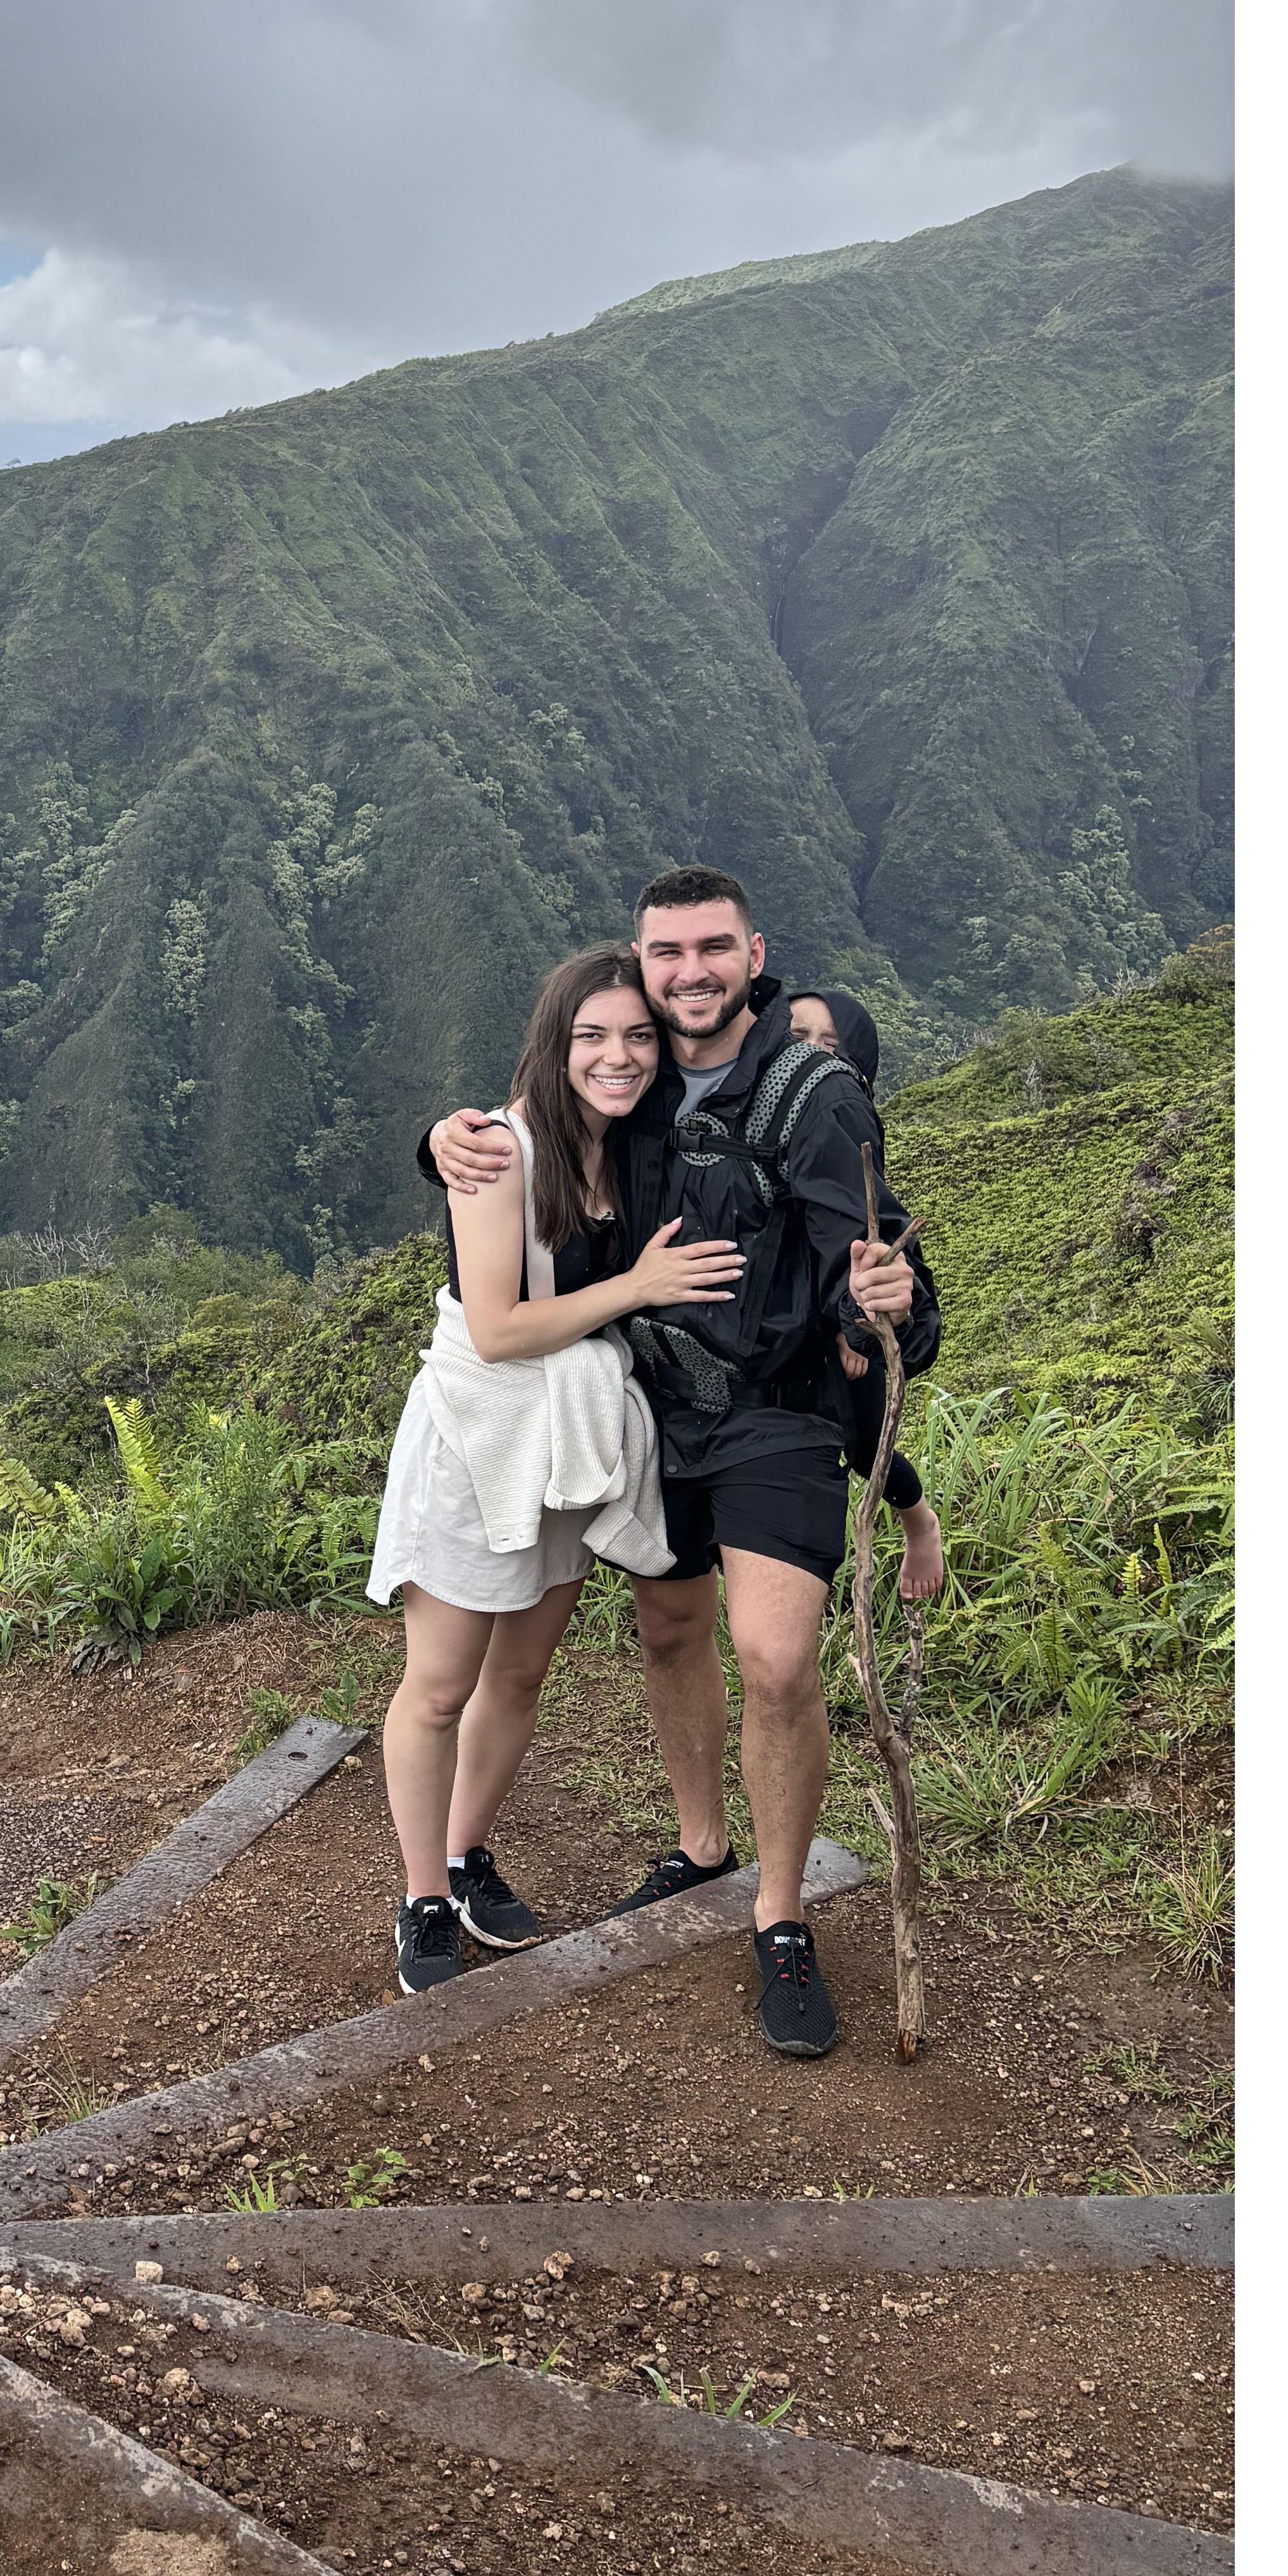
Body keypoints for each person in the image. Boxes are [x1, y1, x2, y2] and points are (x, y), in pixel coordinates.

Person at [421, 867, 937, 2059]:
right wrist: (440, 1141)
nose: (691, 973)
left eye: (714, 949)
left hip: (773, 1412)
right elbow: (542, 1131)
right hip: (646, 1405)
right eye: (669, 954)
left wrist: (896, 1312)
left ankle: (779, 1910)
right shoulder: (636, 1078)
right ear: (643, 966)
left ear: (755, 954)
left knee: (773, 1653)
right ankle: (702, 1845)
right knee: (667, 1629)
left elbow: (878, 1258)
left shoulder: (814, 1097)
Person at [368, 947, 742, 1995]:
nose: (616, 1056)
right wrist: (639, 1284)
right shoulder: (497, 1153)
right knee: (439, 1684)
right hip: (479, 1440)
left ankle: (462, 1851)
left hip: (570, 1448)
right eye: (592, 1036)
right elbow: (494, 1328)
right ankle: (421, 1900)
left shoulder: (637, 1150)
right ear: (554, 1043)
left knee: (519, 1673)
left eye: (636, 1035)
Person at [784, 989, 947, 1605]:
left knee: (861, 1446)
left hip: (845, 1323)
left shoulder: (839, 1116)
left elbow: (852, 1236)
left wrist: (848, 1328)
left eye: (829, 1045)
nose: (809, 1055)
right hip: (783, 1329)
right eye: (796, 1037)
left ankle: (918, 1520)